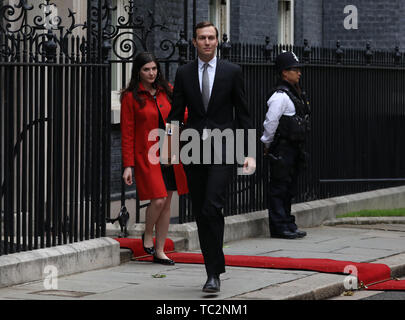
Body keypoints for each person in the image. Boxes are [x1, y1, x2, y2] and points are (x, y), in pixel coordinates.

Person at [166, 21, 255, 293]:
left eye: (211, 38)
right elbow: (175, 111)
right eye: (202, 38)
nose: (207, 42)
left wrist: (249, 152)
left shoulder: (232, 72)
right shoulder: (183, 73)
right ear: (194, 42)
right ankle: (212, 268)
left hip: (223, 147)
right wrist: (169, 146)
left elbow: (243, 113)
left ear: (218, 41)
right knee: (202, 214)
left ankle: (214, 274)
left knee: (211, 207)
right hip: (193, 149)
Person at [120, 52, 188, 265]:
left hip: (169, 146)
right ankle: (147, 233)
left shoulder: (167, 90)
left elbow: (182, 113)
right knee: (158, 199)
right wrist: (128, 165)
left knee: (167, 201)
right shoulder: (130, 97)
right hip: (146, 153)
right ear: (138, 72)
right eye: (146, 69)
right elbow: (127, 131)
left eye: (154, 69)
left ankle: (159, 250)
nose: (151, 73)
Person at [261, 51, 311, 239]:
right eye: (294, 69)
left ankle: (288, 222)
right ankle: (279, 226)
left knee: (289, 188)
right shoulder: (280, 96)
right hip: (282, 147)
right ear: (284, 73)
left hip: (294, 147)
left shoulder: (295, 93)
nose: (299, 73)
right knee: (279, 188)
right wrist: (266, 143)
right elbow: (271, 122)